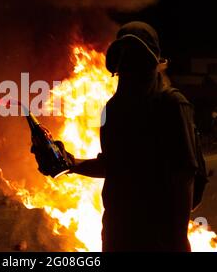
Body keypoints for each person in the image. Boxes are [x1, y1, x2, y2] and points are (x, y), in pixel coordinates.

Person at [32, 22, 207, 252]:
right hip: (117, 232)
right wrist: (70, 163)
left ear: (154, 64)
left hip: (157, 237)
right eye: (124, 60)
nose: (130, 67)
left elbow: (185, 175)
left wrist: (177, 239)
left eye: (139, 59)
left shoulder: (171, 105)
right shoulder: (112, 110)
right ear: (117, 66)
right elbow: (111, 165)